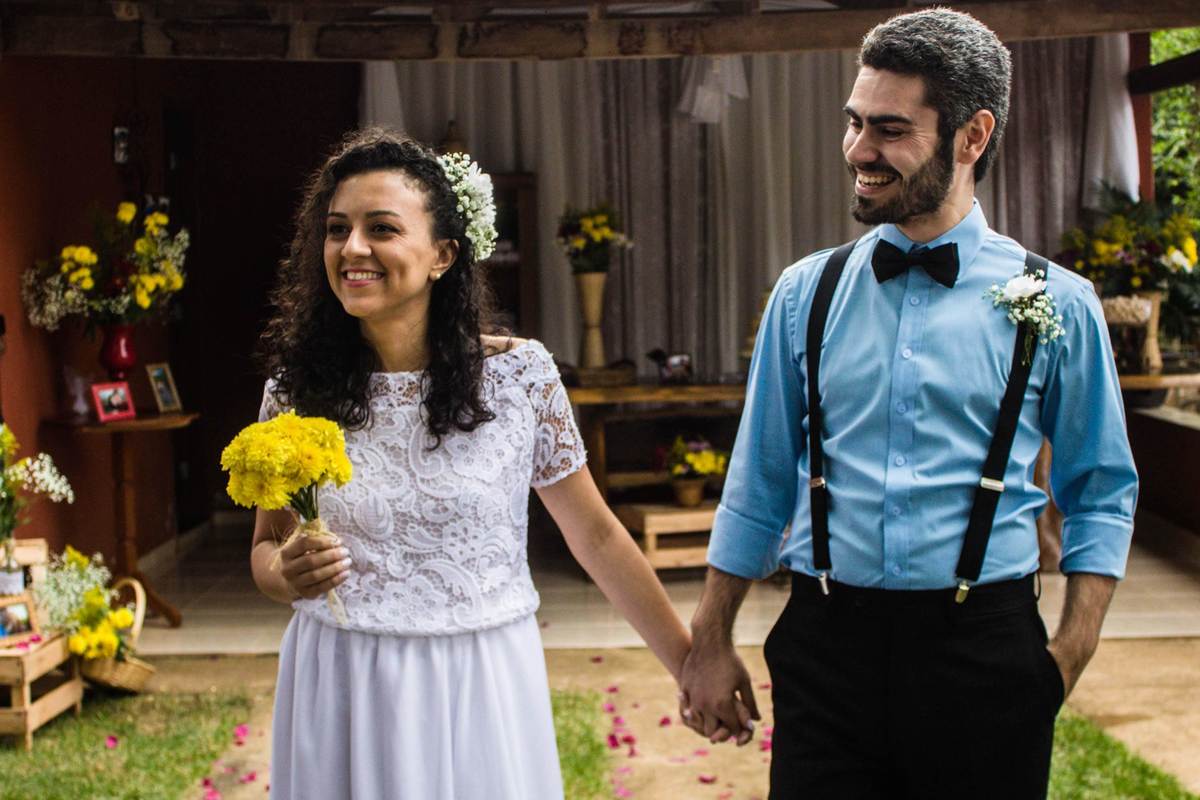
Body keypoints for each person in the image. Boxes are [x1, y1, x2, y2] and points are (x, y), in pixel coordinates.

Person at [678, 9, 1138, 799]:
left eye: (890, 129)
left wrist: (1067, 653)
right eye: (855, 123)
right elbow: (757, 480)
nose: (859, 151)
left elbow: (1101, 489)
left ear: (971, 135)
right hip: (826, 647)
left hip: (986, 654)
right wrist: (709, 641)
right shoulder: (805, 293)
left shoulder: (1059, 301)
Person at [249, 128, 707, 799]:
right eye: (337, 228)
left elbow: (598, 536)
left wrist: (688, 663)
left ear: (442, 254)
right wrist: (283, 576)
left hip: (479, 680)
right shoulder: (294, 392)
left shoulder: (520, 378)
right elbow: (266, 548)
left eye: (381, 228)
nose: (352, 248)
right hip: (341, 679)